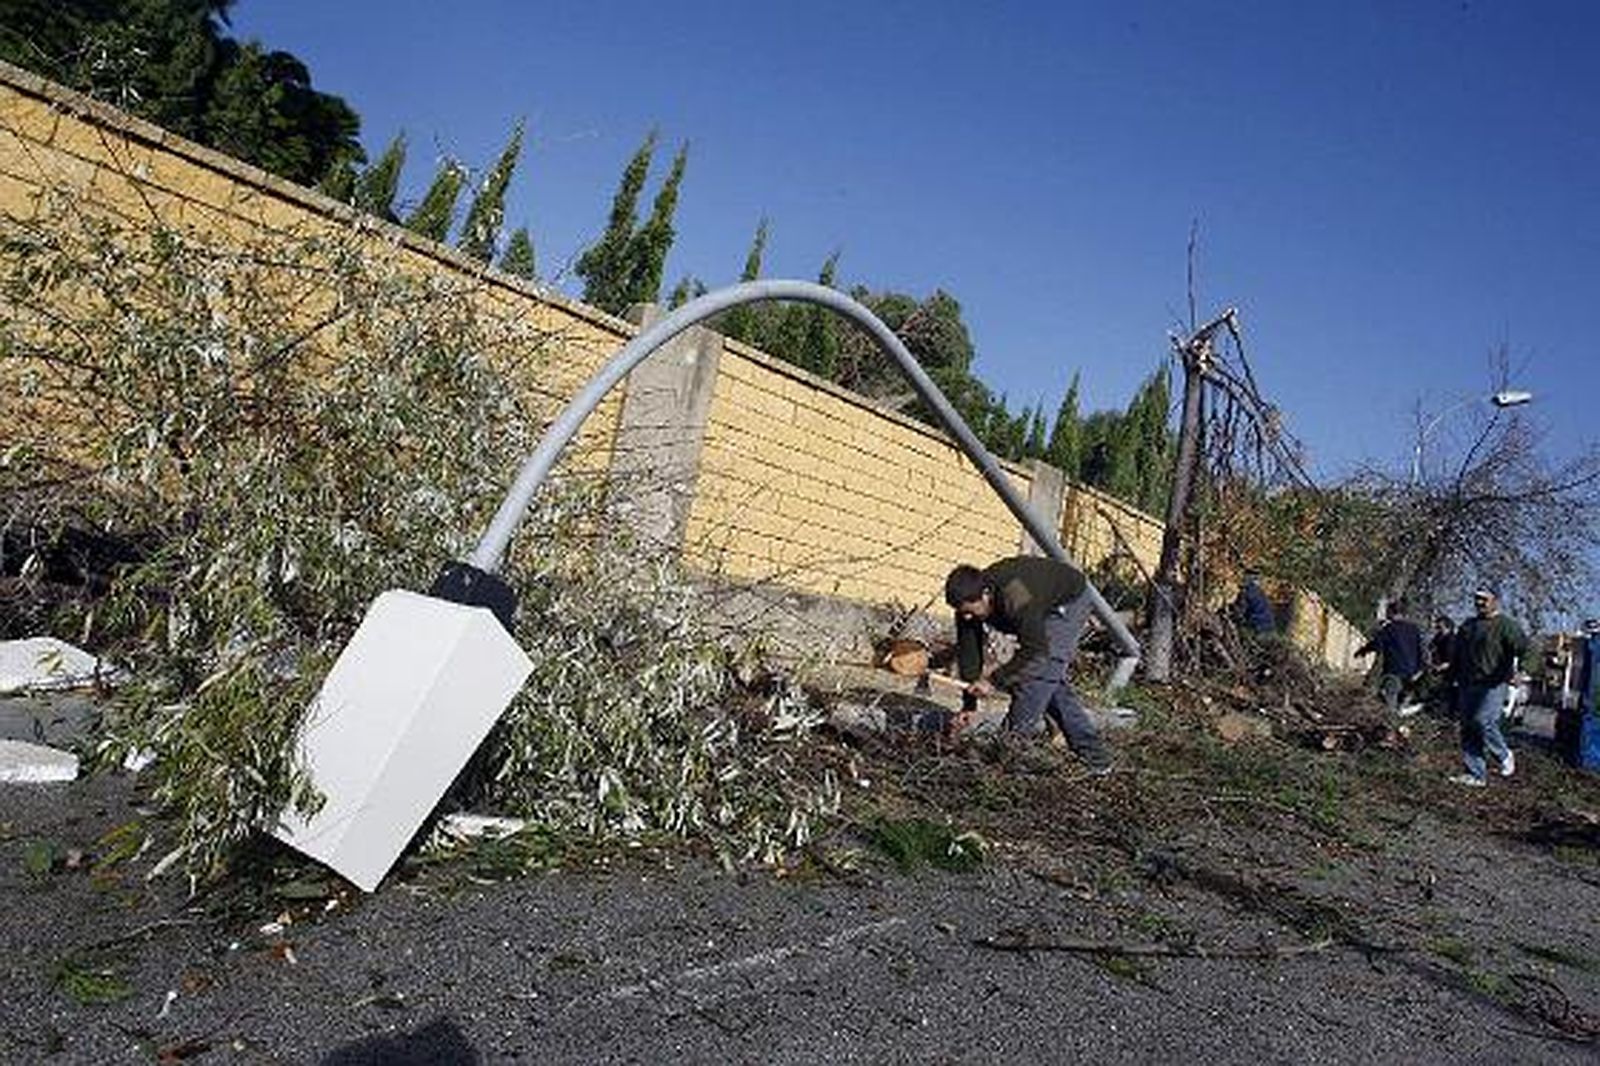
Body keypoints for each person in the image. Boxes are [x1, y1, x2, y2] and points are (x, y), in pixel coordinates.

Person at [944, 556, 1113, 774]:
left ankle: (1007, 753)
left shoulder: (1014, 593)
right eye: (961, 612)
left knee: (1037, 678)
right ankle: (1096, 759)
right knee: (1051, 685)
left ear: (986, 594)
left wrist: (994, 680)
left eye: (970, 610)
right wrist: (969, 704)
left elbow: (1035, 650)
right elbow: (969, 655)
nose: (966, 617)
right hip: (1038, 606)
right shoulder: (966, 605)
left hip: (1067, 601)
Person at [1446, 587, 1528, 787]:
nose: (1479, 603)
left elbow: (1522, 648)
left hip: (1493, 682)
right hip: (1467, 682)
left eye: (1484, 599)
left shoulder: (1506, 625)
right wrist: (1451, 675)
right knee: (1468, 727)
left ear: (1495, 601)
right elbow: (1457, 653)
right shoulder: (1468, 625)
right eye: (1477, 599)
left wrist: (1519, 672)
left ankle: (1504, 754)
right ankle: (1475, 774)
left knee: (1483, 721)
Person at [1356, 599, 1425, 716]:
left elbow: (1377, 645)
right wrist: (1419, 670)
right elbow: (1420, 651)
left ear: (1390, 612)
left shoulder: (1388, 628)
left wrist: (1362, 651)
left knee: (1390, 706)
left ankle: (1391, 727)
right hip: (1413, 674)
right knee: (1403, 705)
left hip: (1394, 672)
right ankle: (1402, 726)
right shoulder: (1414, 629)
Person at [1233, 570, 1275, 634]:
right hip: (1269, 626)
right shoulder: (1260, 592)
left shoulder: (1247, 591)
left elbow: (1241, 611)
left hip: (1256, 626)